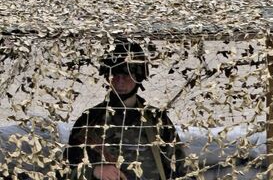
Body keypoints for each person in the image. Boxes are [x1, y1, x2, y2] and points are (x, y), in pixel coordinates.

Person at [64, 39, 188, 180]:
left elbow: (181, 171)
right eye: (115, 74)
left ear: (138, 76)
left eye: (126, 74)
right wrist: (93, 171)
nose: (120, 81)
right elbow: (65, 171)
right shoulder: (89, 120)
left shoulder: (156, 120)